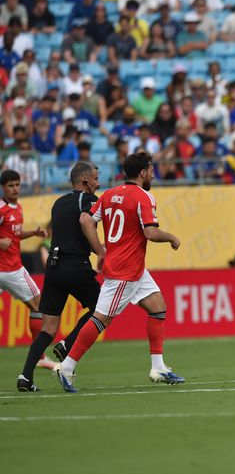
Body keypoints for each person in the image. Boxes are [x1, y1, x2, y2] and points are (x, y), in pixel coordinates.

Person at [54, 152, 184, 393]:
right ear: (143, 172)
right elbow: (150, 233)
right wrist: (172, 238)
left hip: (132, 267)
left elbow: (86, 220)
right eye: (152, 169)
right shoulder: (144, 196)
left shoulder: (110, 194)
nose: (154, 173)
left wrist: (101, 250)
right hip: (125, 270)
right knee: (102, 319)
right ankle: (67, 366)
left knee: (158, 305)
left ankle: (158, 367)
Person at [17, 162, 103, 392]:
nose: (98, 183)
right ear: (84, 181)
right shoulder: (88, 200)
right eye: (95, 179)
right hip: (75, 265)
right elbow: (88, 226)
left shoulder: (58, 203)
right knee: (102, 307)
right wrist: (101, 251)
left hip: (53, 269)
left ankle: (25, 376)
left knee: (48, 327)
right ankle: (67, 344)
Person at [0, 170, 53, 378]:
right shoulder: (2, 208)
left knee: (37, 306)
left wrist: (32, 233)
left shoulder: (18, 208)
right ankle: (39, 357)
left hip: (9, 270)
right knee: (39, 305)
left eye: (17, 185)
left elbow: (14, 234)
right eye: (10, 185)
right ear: (3, 188)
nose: (15, 189)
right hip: (11, 271)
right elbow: (4, 239)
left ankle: (39, 357)